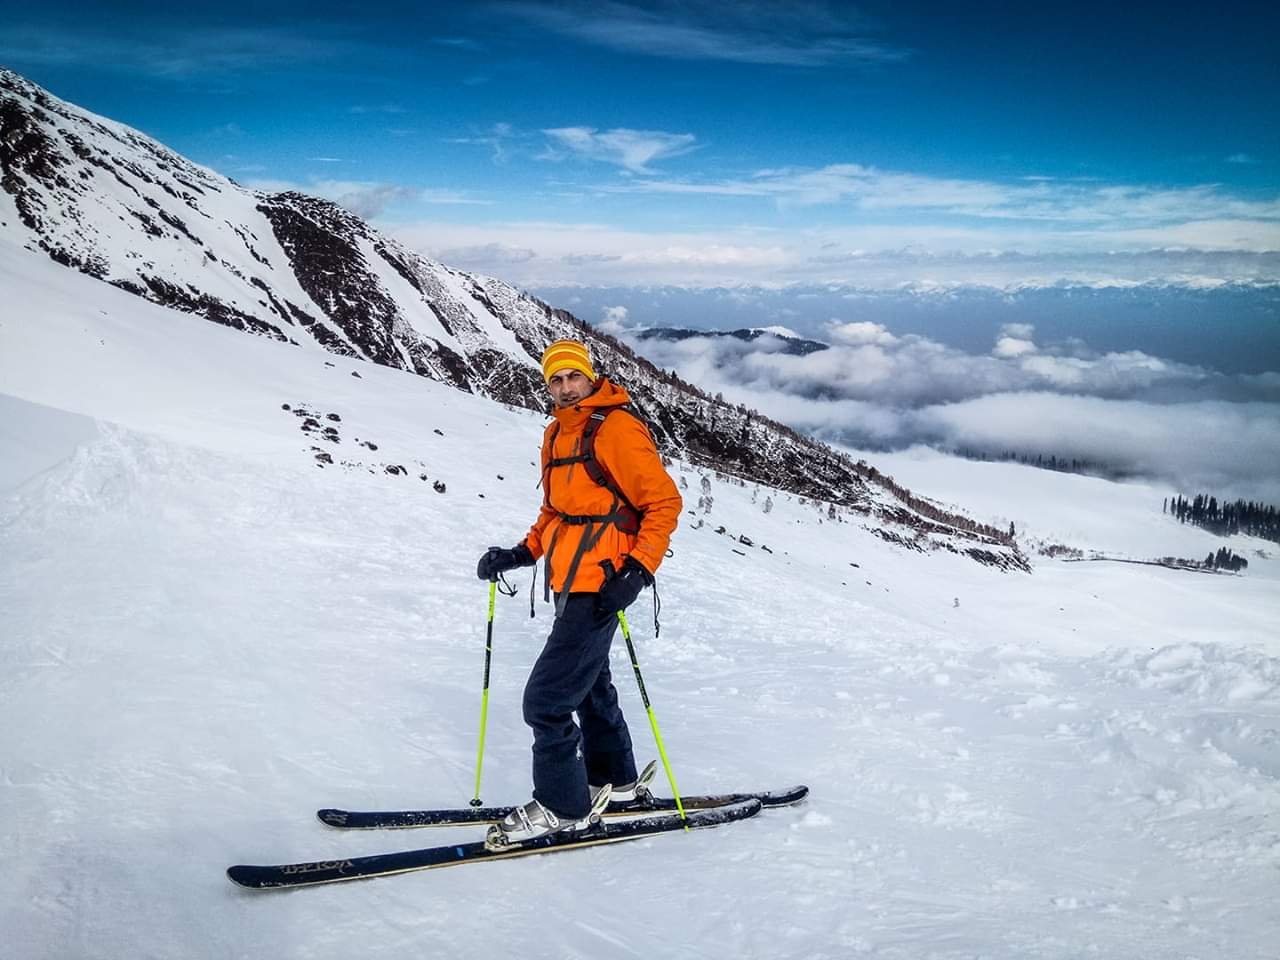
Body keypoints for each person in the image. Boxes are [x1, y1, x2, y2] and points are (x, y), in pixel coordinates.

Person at [476, 338, 682, 845]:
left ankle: (563, 807)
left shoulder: (615, 429)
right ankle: (617, 782)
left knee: (545, 701)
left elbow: (664, 503)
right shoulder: (555, 434)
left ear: (591, 377)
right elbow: (556, 511)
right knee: (590, 685)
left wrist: (637, 571)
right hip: (568, 579)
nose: (566, 387)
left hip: (603, 582)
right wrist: (522, 553)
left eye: (574, 376)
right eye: (556, 379)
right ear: (547, 385)